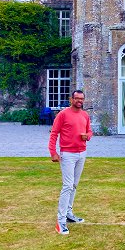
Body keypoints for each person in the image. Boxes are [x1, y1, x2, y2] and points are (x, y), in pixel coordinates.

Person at [48, 90, 93, 235]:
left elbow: (89, 132)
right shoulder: (63, 114)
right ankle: (60, 222)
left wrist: (87, 136)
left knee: (74, 185)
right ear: (71, 99)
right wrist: (53, 152)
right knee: (67, 186)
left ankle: (68, 214)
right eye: (77, 98)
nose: (79, 101)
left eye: (82, 99)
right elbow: (54, 133)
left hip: (82, 153)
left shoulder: (85, 115)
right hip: (67, 154)